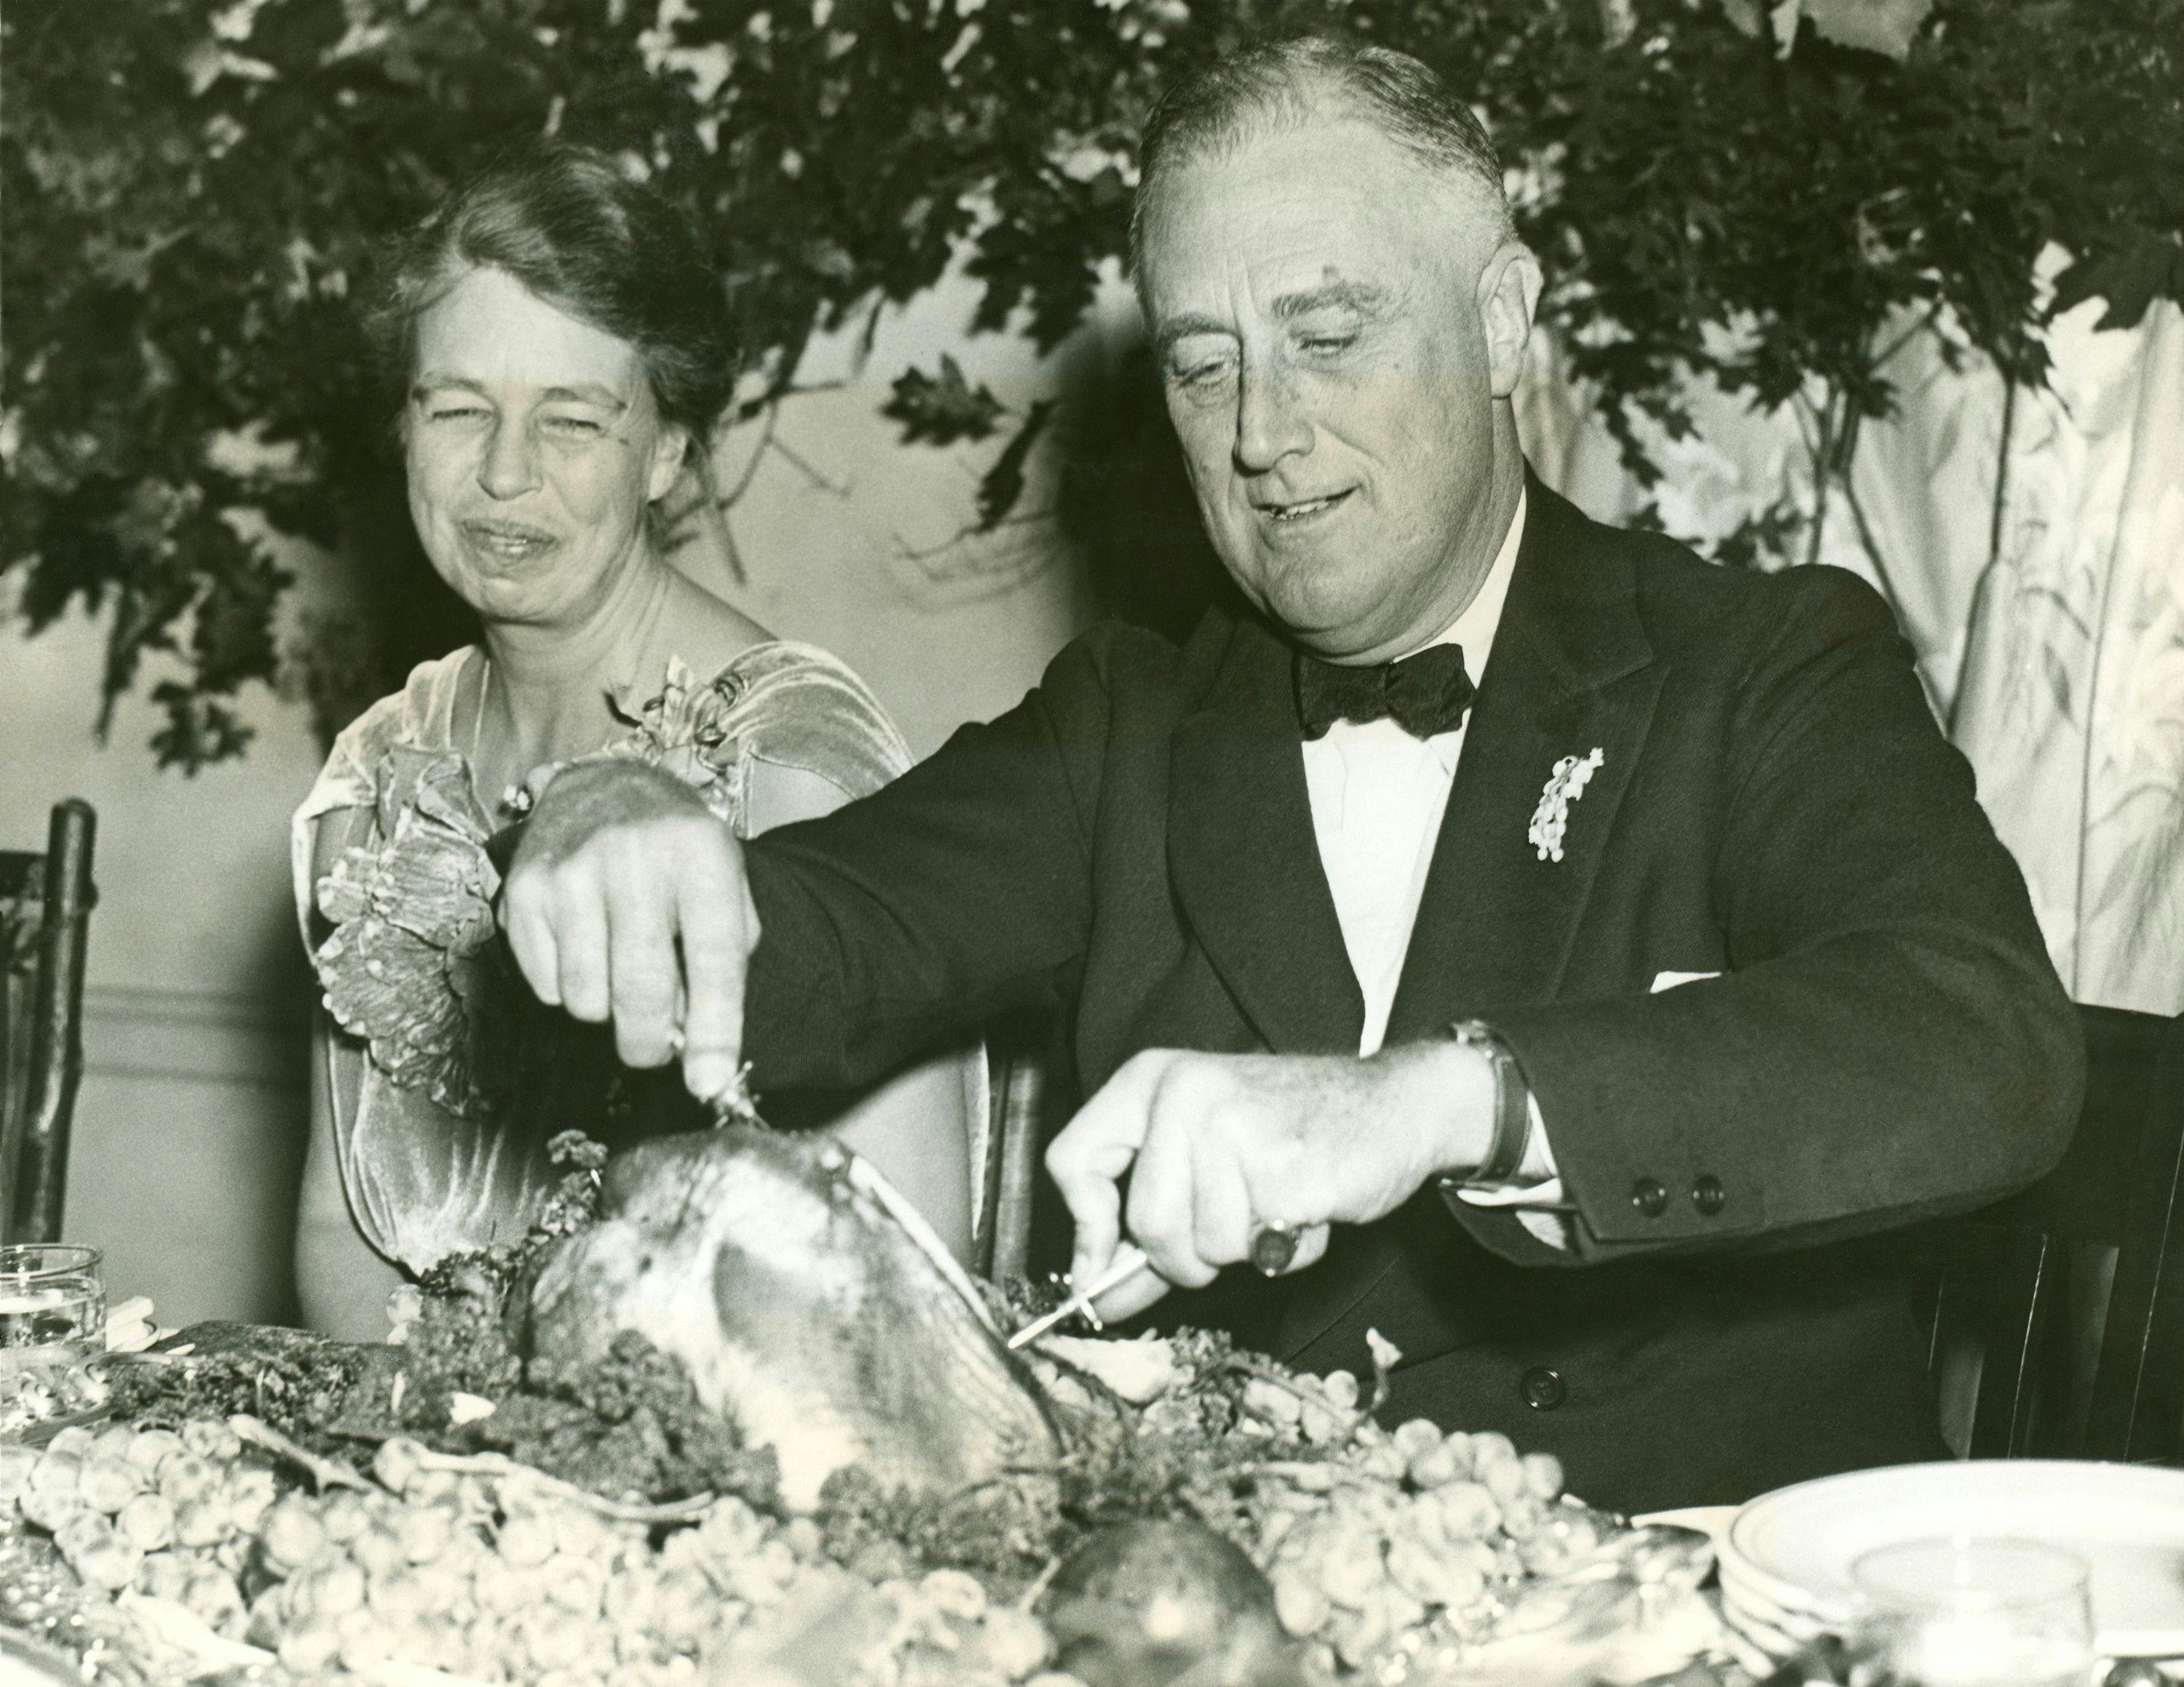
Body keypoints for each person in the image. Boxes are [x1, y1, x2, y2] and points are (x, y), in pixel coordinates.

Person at [499, 41, 2084, 1511]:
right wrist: (617, 815)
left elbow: (1981, 1039)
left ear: (1504, 320)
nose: (1263, 431)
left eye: (1329, 338)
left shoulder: (1761, 662)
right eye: (1205, 367)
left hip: (1721, 1601)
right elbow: (820, 936)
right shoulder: (1132, 719)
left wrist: (1441, 1100)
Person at [290, 143, 978, 1340]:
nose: (504, 474)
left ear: (664, 452)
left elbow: (896, 1297)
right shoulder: (376, 777)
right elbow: (337, 1235)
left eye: (572, 419)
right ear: (405, 428)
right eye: (459, 409)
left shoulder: (795, 766)